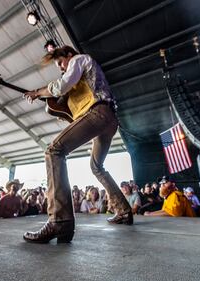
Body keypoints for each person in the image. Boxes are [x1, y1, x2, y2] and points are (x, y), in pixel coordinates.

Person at [23, 46, 132, 243]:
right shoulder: (81, 81)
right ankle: (124, 211)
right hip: (108, 118)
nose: (62, 68)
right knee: (96, 166)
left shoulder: (79, 60)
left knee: (54, 150)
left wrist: (38, 92)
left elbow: (62, 85)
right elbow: (72, 110)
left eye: (60, 63)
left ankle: (60, 220)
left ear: (68, 55)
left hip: (98, 113)